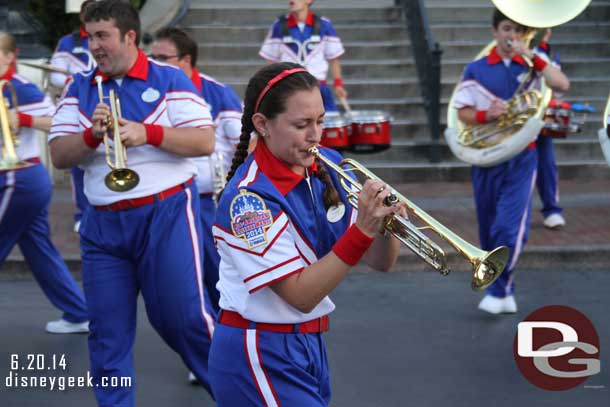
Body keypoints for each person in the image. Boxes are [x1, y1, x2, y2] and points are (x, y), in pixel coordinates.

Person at [49, 1, 217, 405]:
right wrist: (92, 136)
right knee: (107, 335)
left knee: (185, 321)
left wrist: (148, 133)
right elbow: (59, 154)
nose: (94, 46)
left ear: (128, 36)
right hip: (104, 224)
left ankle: (241, 396)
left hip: (167, 214)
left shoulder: (170, 78)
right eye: (90, 37)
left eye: (102, 36)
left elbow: (203, 141)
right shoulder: (81, 86)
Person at [208, 62, 404, 406]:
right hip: (259, 349)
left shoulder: (326, 165)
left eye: (320, 121)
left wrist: (387, 226)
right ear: (262, 125)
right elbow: (299, 295)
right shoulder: (248, 200)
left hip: (307, 344)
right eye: (301, 125)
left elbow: (380, 262)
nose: (316, 135)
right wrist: (362, 230)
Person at [454, 10, 569, 314]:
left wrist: (532, 54)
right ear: (494, 31)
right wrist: (485, 115)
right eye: (506, 29)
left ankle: (498, 289)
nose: (512, 36)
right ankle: (505, 290)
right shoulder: (477, 68)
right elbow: (461, 112)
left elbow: (562, 84)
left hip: (521, 156)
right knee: (489, 229)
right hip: (485, 158)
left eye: (518, 31)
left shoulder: (534, 66)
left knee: (509, 226)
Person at [150, 26, 243, 385]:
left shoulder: (218, 93)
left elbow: (244, 145)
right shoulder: (155, 90)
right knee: (187, 288)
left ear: (185, 61)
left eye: (162, 58)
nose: (154, 63)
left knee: (217, 280)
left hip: (210, 202)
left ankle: (229, 355)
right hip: (170, 200)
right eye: (152, 57)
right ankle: (211, 353)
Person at [0, 31, 89, 334]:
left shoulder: (20, 88)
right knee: (39, 251)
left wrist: (21, 119)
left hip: (19, 178)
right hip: (22, 181)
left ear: (10, 57)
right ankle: (78, 312)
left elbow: (56, 119)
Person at [49, 0, 97, 233]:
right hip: (80, 105)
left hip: (107, 102)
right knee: (79, 161)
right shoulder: (68, 42)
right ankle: (82, 214)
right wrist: (78, 79)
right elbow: (56, 77)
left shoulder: (110, 36)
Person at [259, 0, 347, 112]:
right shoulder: (279, 25)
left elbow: (334, 59)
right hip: (289, 89)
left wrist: (338, 84)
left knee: (326, 126)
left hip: (318, 88)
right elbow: (271, 60)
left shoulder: (324, 25)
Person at [535, 29, 566, 229]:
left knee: (546, 164)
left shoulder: (549, 54)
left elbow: (558, 85)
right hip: (516, 119)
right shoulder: (519, 51)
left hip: (541, 118)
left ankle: (551, 209)